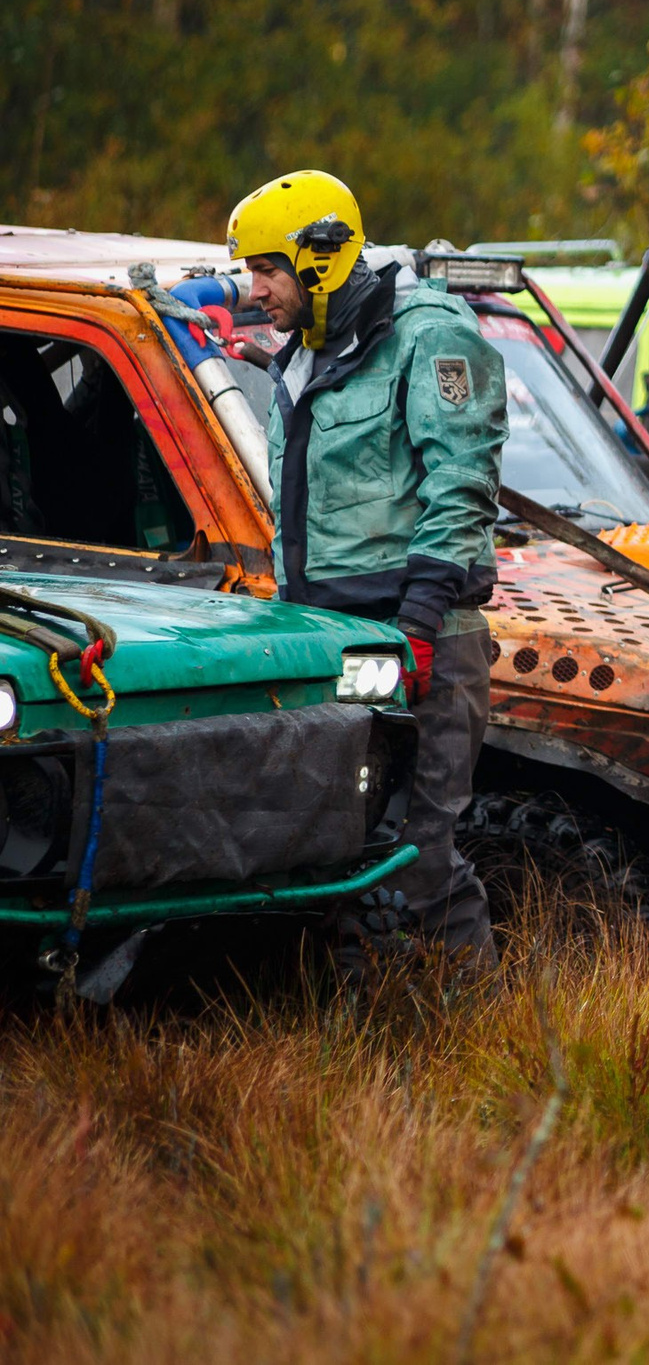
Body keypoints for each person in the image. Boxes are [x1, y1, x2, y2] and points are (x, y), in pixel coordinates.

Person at [227, 170, 508, 967]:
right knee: (341, 856)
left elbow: (463, 481)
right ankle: (362, 1034)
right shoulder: (310, 347)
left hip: (420, 641)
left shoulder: (429, 335)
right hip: (331, 641)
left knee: (414, 857)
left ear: (320, 259)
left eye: (267, 270)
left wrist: (417, 626)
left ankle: (479, 1031)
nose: (257, 290)